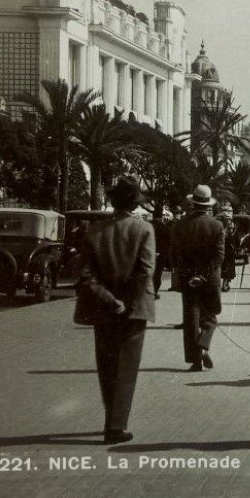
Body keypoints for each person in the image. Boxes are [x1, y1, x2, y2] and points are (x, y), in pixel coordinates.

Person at [73, 177, 157, 445]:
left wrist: (110, 300)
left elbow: (86, 276)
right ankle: (116, 426)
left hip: (102, 307)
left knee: (106, 365)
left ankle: (111, 418)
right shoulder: (144, 229)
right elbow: (145, 272)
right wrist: (127, 302)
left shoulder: (95, 230)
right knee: (126, 367)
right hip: (134, 309)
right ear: (135, 203)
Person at [171, 185, 225, 372]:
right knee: (210, 316)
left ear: (193, 202)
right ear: (208, 204)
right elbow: (218, 257)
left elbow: (176, 255)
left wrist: (189, 275)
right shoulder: (217, 225)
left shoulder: (180, 224)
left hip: (188, 278)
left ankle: (196, 361)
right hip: (210, 279)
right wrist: (204, 276)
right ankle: (204, 343)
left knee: (191, 317)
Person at [217, 204, 239, 293]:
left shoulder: (231, 227)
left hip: (228, 250)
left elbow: (236, 239)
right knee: (226, 268)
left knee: (227, 268)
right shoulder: (227, 227)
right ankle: (224, 285)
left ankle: (226, 284)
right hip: (227, 250)